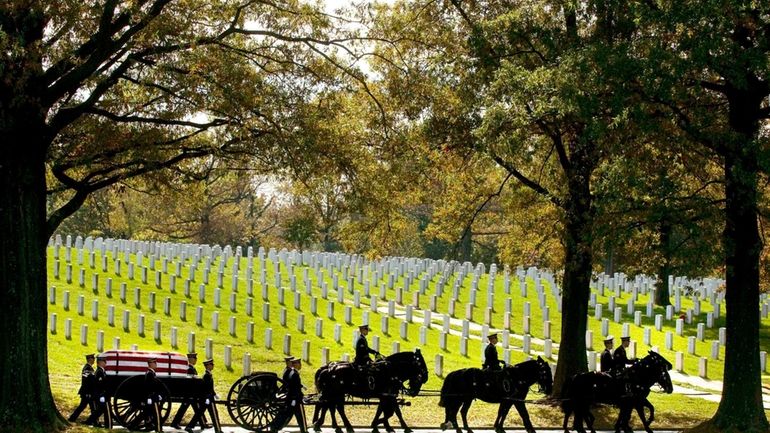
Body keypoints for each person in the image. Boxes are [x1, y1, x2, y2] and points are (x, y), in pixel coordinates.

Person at [186, 359, 221, 433]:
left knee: (199, 413)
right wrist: (207, 398)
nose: (213, 366)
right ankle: (218, 430)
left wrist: (215, 394)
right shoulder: (206, 376)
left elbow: (210, 388)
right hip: (207, 398)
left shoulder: (208, 375)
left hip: (208, 398)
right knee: (213, 414)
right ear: (208, 366)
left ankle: (189, 426)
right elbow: (205, 389)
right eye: (211, 364)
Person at [170, 353, 200, 429]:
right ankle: (175, 423)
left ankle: (202, 423)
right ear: (191, 359)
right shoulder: (189, 369)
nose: (196, 360)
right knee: (186, 408)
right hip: (189, 393)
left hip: (191, 393)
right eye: (195, 358)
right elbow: (191, 382)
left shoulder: (192, 368)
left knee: (197, 408)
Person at [84, 355, 111, 428]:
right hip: (100, 395)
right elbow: (99, 385)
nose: (106, 363)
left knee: (101, 410)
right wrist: (102, 395)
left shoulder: (101, 371)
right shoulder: (99, 371)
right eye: (104, 361)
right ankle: (107, 425)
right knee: (102, 410)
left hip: (101, 395)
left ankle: (90, 421)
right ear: (100, 362)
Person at [68, 354, 95, 423]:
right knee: (90, 407)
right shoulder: (87, 368)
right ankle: (93, 421)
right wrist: (87, 392)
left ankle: (72, 418)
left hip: (88, 391)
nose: (94, 360)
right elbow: (86, 381)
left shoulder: (89, 368)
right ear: (90, 359)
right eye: (93, 358)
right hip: (87, 391)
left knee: (84, 406)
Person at [284, 358, 307, 433]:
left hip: (294, 398)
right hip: (296, 398)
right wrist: (294, 398)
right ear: (296, 364)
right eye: (299, 363)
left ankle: (275, 427)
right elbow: (294, 387)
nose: (300, 365)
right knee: (300, 416)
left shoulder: (293, 372)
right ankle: (304, 430)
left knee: (290, 415)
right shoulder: (294, 374)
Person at [144, 358, 163, 433]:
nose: (156, 364)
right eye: (155, 363)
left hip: (153, 396)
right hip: (153, 397)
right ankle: (158, 429)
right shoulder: (150, 373)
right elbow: (149, 386)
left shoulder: (151, 373)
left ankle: (152, 427)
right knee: (157, 414)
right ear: (151, 364)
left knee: (153, 413)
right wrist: (149, 397)